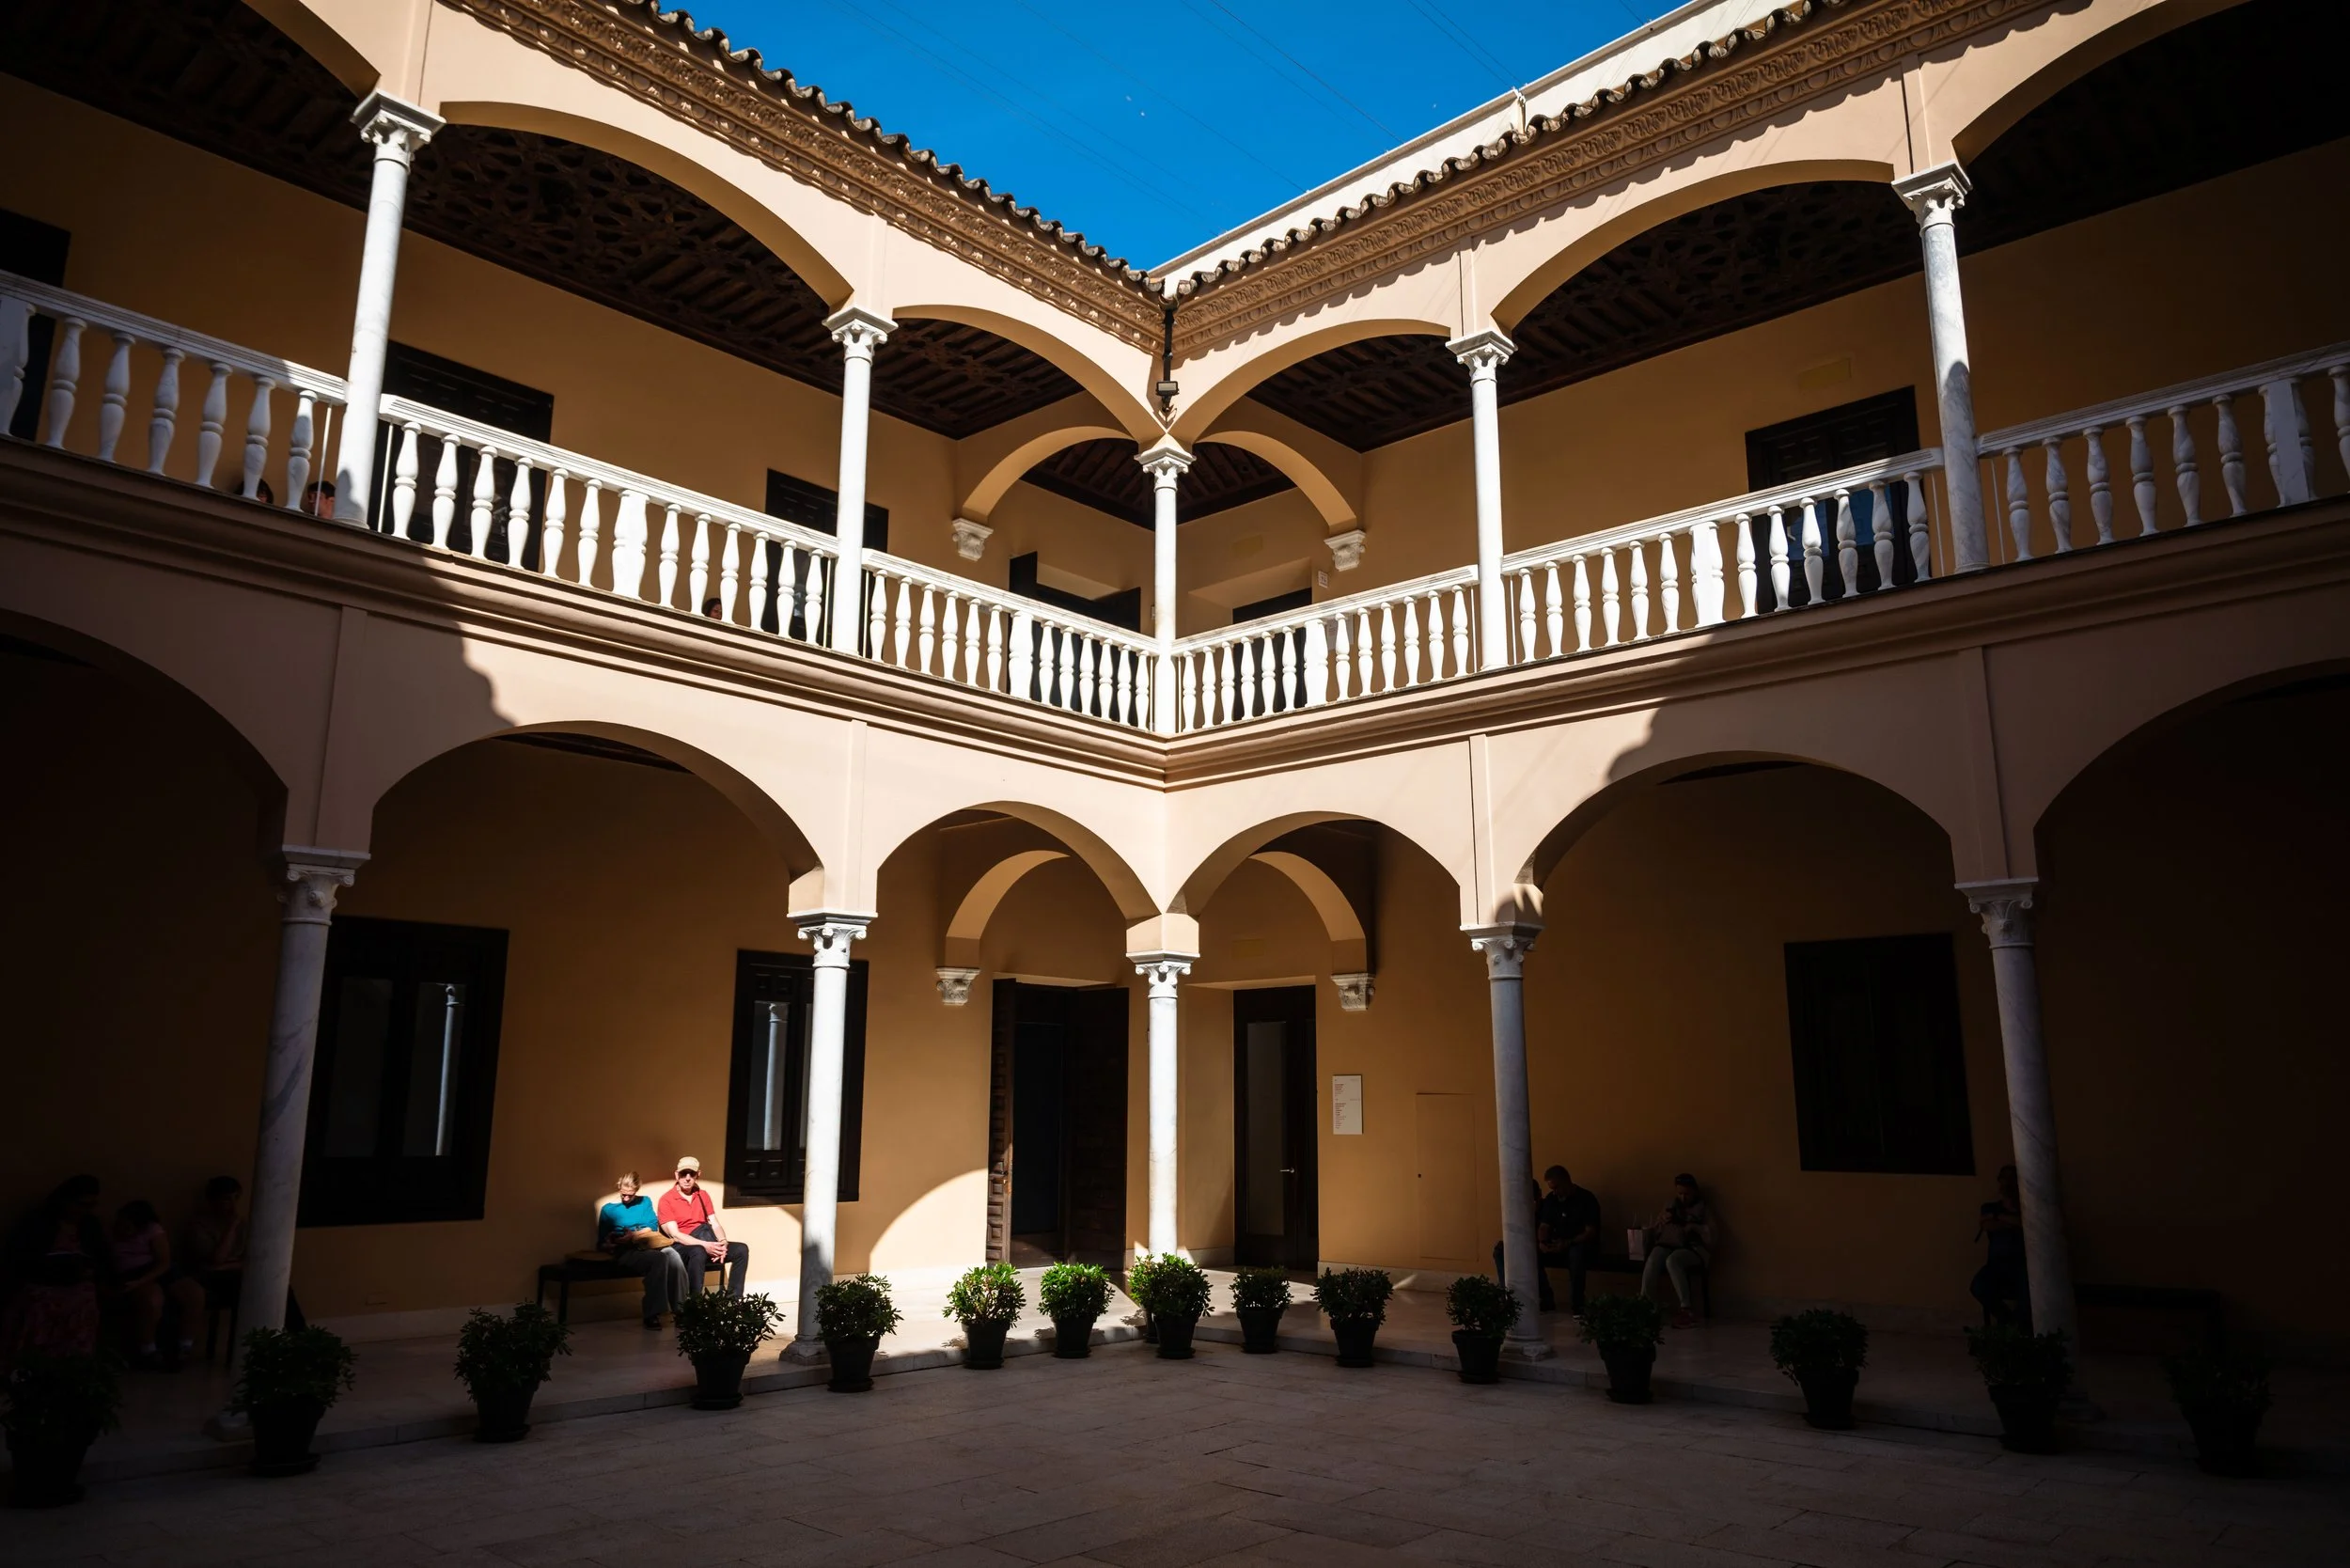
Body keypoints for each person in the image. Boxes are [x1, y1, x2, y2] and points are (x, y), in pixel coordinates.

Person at [0, 1175, 111, 1371]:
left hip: (78, 1283)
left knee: (84, 1300)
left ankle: (74, 1365)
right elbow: (19, 1258)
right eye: (81, 1204)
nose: (85, 1210)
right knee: (38, 1301)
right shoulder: (38, 1223)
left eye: (91, 1205)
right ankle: (36, 1364)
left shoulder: (90, 1226)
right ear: (65, 1201)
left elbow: (102, 1256)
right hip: (41, 1280)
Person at [110, 1200, 202, 1369]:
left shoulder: (153, 1230)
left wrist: (141, 1281)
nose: (125, 1229)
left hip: (157, 1269)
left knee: (194, 1293)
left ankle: (185, 1347)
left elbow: (164, 1262)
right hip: (131, 1272)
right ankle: (149, 1351)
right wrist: (137, 1283)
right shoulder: (112, 1233)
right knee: (152, 1299)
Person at [601, 1171, 692, 1328]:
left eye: (631, 1195)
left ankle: (681, 1311)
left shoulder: (645, 1202)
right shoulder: (608, 1210)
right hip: (626, 1250)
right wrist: (613, 1242)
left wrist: (634, 1234)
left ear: (636, 1190)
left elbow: (652, 1226)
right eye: (623, 1195)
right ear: (619, 1188)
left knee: (673, 1256)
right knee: (659, 1259)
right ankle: (652, 1314)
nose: (626, 1198)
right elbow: (601, 1242)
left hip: (649, 1244)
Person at [657, 1157, 747, 1297]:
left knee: (741, 1249)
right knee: (698, 1251)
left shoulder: (702, 1195)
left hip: (706, 1241)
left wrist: (722, 1242)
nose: (687, 1178)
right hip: (682, 1246)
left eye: (691, 1174)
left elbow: (714, 1223)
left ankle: (734, 1300)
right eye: (683, 1174)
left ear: (697, 1175)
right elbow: (675, 1235)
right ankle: (695, 1301)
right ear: (677, 1175)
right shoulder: (667, 1199)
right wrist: (706, 1245)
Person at [1640, 1173, 1715, 1328]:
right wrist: (1662, 1221)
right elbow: (1655, 1231)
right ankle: (1647, 1306)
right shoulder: (1671, 1205)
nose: (1683, 1197)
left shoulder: (1703, 1209)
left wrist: (1694, 1227)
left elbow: (1712, 1236)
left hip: (1693, 1249)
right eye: (1679, 1193)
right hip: (1668, 1244)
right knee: (1654, 1258)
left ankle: (1686, 1310)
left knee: (1673, 1261)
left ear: (1694, 1191)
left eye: (1686, 1194)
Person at [1971, 1164, 2030, 1329]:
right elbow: (1988, 1225)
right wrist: (2011, 1223)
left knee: (2029, 1293)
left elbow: (2025, 1224)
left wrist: (1999, 1218)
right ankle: (2009, 1323)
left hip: (2024, 1266)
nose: (2006, 1184)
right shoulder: (1989, 1207)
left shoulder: (2028, 1209)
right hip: (1997, 1265)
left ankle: (2022, 1327)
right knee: (1978, 1286)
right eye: (2003, 1178)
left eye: (2011, 1179)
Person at [1538, 1165, 1603, 1315]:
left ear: (1566, 1181)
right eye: (1551, 1189)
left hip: (1581, 1245)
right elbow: (1544, 1226)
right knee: (1531, 1255)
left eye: (1557, 1187)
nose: (1554, 1192)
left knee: (1576, 1255)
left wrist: (1568, 1243)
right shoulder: (1552, 1199)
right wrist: (1542, 1242)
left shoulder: (1586, 1199)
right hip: (1558, 1245)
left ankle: (1578, 1304)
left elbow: (1590, 1232)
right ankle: (1546, 1298)